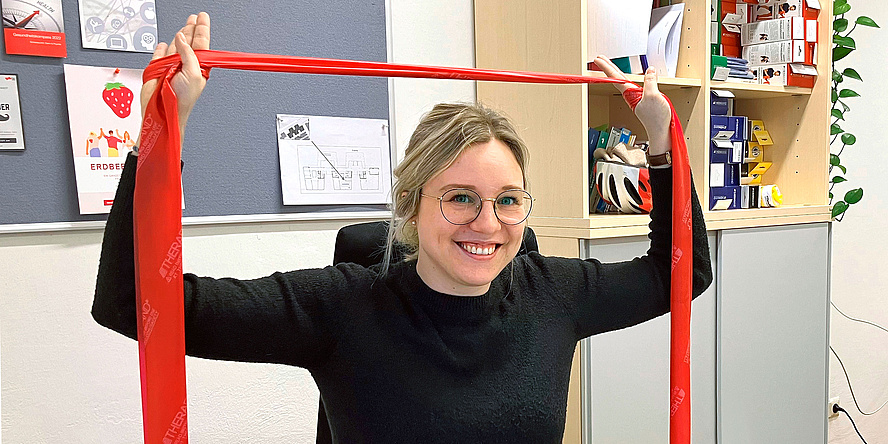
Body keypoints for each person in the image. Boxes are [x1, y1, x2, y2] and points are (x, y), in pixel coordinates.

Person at [92, 12, 712, 443]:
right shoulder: (341, 307)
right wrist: (156, 139)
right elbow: (131, 303)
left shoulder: (555, 292)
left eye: (509, 200)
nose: (487, 224)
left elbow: (680, 273)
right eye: (460, 198)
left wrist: (661, 144)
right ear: (412, 206)